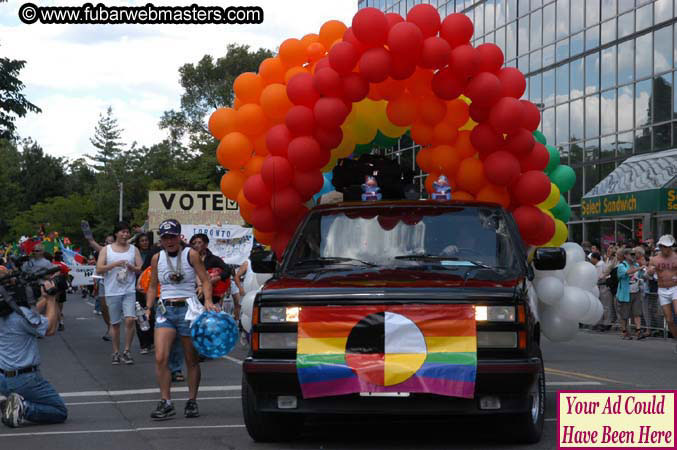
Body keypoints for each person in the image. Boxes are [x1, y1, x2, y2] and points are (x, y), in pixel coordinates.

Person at [145, 219, 217, 419]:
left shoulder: (191, 255)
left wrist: (208, 300)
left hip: (188, 309)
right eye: (165, 237)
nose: (169, 241)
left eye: (173, 236)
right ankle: (166, 402)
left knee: (191, 359)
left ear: (179, 237)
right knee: (161, 357)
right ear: (161, 239)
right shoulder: (156, 258)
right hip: (165, 309)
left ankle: (192, 401)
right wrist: (148, 307)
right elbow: (152, 286)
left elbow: (205, 279)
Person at [0, 279, 68, 428]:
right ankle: (24, 408)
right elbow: (49, 329)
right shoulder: (22, 314)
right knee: (59, 411)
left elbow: (29, 319)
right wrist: (51, 299)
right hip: (25, 379)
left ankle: (10, 403)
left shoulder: (14, 314)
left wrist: (43, 298)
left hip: (4, 378)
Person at [96, 222, 143, 365]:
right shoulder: (107, 249)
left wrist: (132, 267)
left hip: (129, 289)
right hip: (112, 290)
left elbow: (140, 268)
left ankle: (127, 351)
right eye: (122, 232)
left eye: (127, 232)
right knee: (115, 323)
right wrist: (114, 265)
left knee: (130, 319)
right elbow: (99, 268)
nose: (125, 234)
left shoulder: (133, 249)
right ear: (116, 233)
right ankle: (115, 351)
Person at [189, 233, 240, 314]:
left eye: (199, 242)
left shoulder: (213, 259)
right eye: (193, 243)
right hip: (191, 296)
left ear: (206, 244)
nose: (196, 245)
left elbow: (227, 270)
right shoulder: (187, 258)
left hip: (211, 297)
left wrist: (215, 279)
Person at [646, 234, 677, 350]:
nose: (667, 249)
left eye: (669, 246)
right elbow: (648, 274)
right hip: (662, 290)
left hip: (675, 288)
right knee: (669, 320)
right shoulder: (655, 259)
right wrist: (650, 271)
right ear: (661, 246)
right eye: (664, 246)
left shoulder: (675, 257)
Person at [616, 248, 645, 339]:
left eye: (634, 254)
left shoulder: (636, 264)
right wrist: (639, 268)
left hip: (636, 292)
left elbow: (640, 276)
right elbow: (627, 272)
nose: (633, 256)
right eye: (631, 254)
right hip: (625, 294)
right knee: (624, 315)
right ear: (625, 255)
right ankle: (624, 332)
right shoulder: (621, 265)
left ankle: (638, 331)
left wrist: (644, 271)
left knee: (637, 313)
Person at [135, 233, 154, 354]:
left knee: (152, 314)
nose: (144, 243)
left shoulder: (154, 253)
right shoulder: (134, 254)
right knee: (140, 314)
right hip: (139, 287)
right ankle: (144, 344)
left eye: (146, 240)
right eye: (142, 241)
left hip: (153, 286)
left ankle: (152, 340)